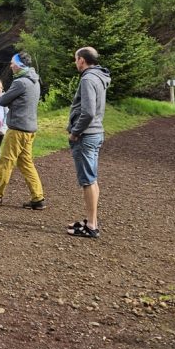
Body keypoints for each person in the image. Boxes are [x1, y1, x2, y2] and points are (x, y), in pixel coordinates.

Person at [0, 52, 45, 209]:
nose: (10, 65)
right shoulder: (35, 80)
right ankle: (38, 198)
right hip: (30, 129)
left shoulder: (20, 83)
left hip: (17, 129)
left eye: (12, 63)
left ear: (19, 65)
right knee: (26, 163)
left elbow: (3, 100)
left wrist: (12, 103)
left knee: (5, 162)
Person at [66, 46, 111, 239]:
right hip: (96, 132)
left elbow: (89, 111)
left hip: (86, 135)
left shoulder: (87, 79)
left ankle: (91, 226)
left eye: (76, 59)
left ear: (82, 60)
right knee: (91, 179)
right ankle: (90, 220)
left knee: (88, 180)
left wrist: (75, 132)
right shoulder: (100, 76)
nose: (75, 62)